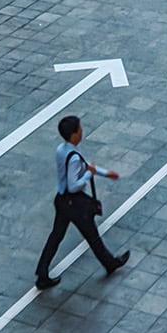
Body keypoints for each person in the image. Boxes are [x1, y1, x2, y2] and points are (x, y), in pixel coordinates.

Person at [36, 114, 129, 288]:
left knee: (56, 236)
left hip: (62, 201)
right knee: (92, 235)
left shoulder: (62, 150)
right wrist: (89, 174)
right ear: (73, 134)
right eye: (79, 129)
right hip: (74, 203)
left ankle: (42, 272)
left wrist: (104, 172)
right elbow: (74, 185)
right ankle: (110, 263)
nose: (81, 131)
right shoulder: (74, 158)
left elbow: (85, 165)